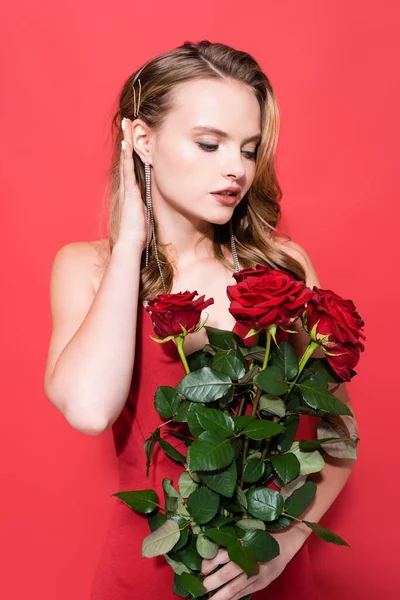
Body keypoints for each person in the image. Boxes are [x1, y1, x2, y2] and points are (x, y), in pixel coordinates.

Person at [44, 40, 357, 600]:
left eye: (248, 148)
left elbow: (340, 434)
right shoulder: (87, 266)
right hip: (146, 576)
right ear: (143, 140)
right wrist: (131, 242)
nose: (235, 169)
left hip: (266, 577)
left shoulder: (282, 266)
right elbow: (90, 411)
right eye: (209, 144)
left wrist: (279, 551)